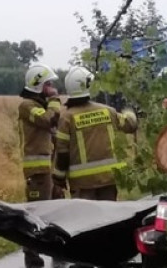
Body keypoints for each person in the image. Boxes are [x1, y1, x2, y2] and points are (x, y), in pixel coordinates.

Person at [51, 66, 138, 201]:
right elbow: (131, 125)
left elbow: (62, 153)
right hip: (109, 179)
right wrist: (128, 110)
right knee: (109, 219)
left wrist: (58, 180)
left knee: (87, 221)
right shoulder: (108, 111)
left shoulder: (67, 117)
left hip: (82, 184)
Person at [17, 65, 63, 268]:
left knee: (56, 207)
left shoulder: (40, 104)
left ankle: (55, 246)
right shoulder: (27, 105)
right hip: (37, 171)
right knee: (37, 211)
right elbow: (47, 120)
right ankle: (31, 250)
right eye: (49, 84)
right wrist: (54, 101)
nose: (52, 88)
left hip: (49, 167)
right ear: (38, 86)